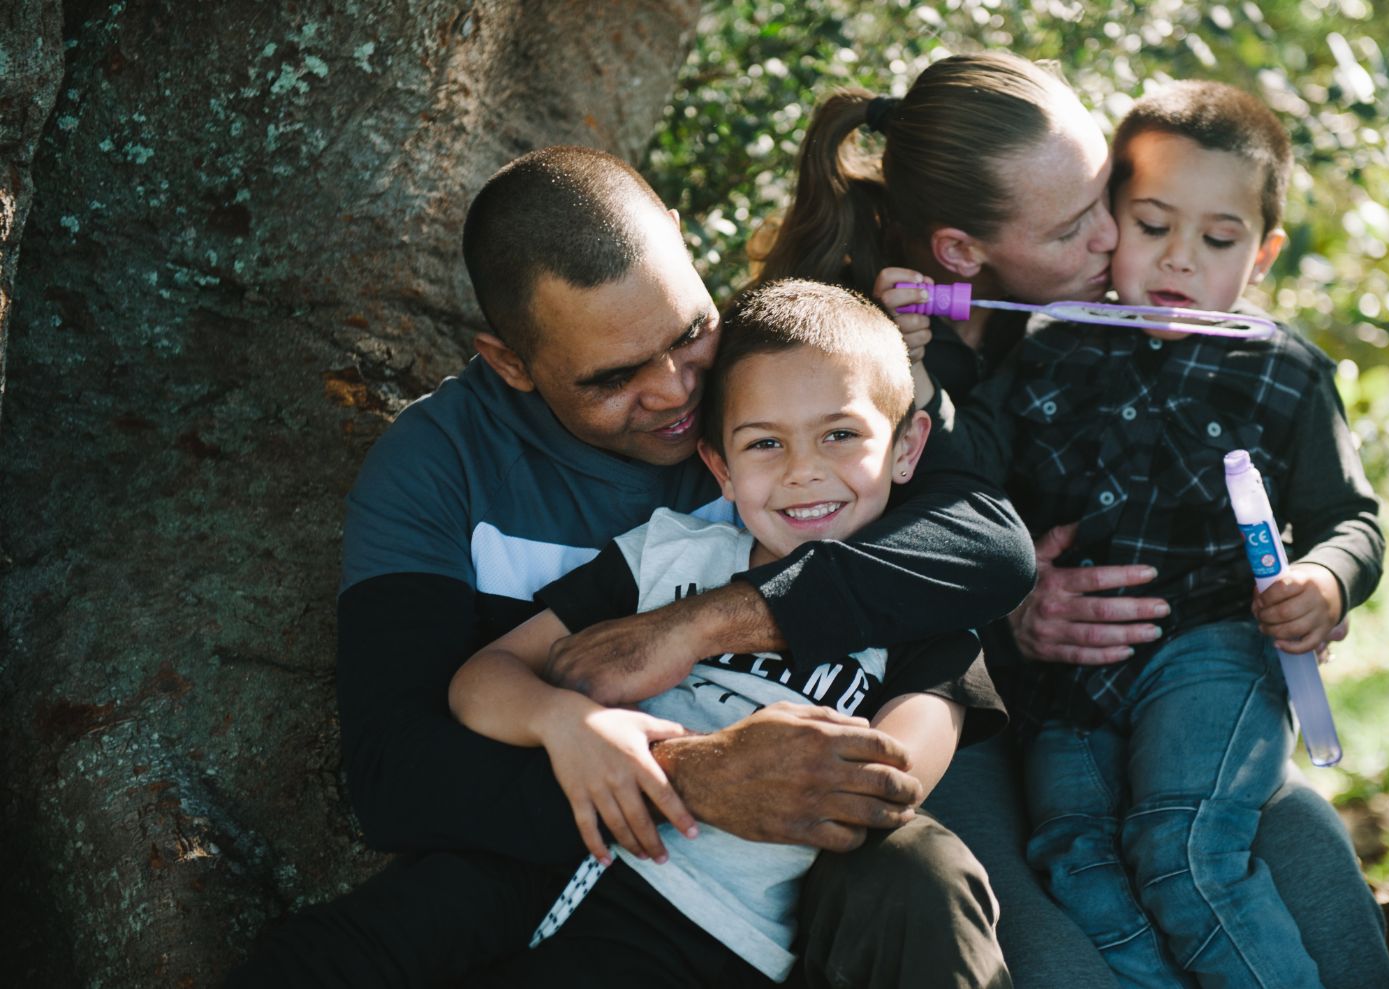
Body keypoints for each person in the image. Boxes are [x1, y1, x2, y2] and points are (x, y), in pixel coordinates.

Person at [228, 145, 1035, 987]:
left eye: (688, 334)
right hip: (568, 857)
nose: (677, 392)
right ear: (511, 360)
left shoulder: (779, 378)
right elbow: (397, 771)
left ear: (686, 254)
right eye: (614, 377)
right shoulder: (437, 470)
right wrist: (690, 773)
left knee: (928, 874)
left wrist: (698, 625)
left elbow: (986, 540)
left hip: (784, 900)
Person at [757, 51, 1389, 989]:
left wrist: (1314, 582)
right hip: (974, 711)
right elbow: (908, 536)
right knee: (1081, 906)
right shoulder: (892, 354)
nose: (1133, 249)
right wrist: (1009, 610)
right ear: (962, 256)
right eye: (1104, 222)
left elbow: (1333, 508)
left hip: (1179, 679)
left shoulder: (1154, 328)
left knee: (1279, 852)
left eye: (1113, 199)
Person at [446, 278, 1009, 986]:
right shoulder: (665, 554)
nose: (805, 472)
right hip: (567, 876)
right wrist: (563, 721)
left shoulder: (926, 619)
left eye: (840, 434)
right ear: (719, 465)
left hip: (733, 945)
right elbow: (481, 681)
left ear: (905, 446)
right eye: (765, 443)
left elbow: (892, 782)